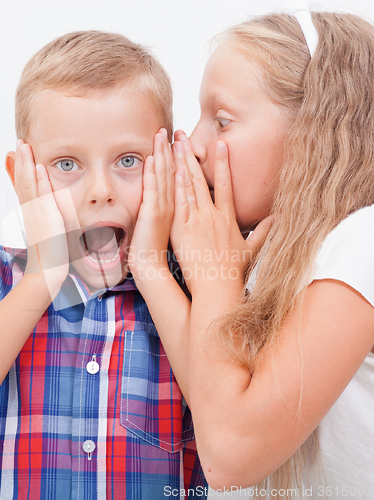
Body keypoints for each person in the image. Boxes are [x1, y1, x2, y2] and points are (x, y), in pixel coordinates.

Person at [0, 31, 206, 499]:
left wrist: (151, 270)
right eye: (67, 164)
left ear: (168, 166)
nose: (100, 190)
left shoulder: (193, 291)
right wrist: (41, 279)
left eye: (128, 160)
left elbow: (232, 433)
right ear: (21, 177)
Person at [132, 11, 374, 499]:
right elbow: (213, 398)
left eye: (221, 120)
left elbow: (229, 455)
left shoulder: (363, 241)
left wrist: (213, 273)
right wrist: (152, 267)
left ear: (314, 127)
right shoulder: (273, 260)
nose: (193, 145)